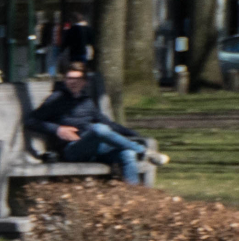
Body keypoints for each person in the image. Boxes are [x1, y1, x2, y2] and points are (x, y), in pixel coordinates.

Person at [30, 61, 163, 184]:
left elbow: (110, 124)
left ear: (84, 82)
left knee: (127, 153)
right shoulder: (55, 99)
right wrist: (58, 129)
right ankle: (143, 151)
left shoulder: (86, 101)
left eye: (77, 79)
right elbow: (31, 120)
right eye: (70, 78)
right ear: (65, 80)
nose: (73, 82)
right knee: (99, 129)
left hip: (94, 149)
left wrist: (135, 134)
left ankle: (134, 197)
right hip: (71, 150)